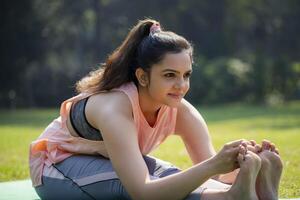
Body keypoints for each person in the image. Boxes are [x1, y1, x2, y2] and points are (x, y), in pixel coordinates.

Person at [29, 18, 283, 200]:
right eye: (170, 75)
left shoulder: (181, 111)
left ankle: (258, 193)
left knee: (172, 175)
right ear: (142, 76)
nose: (181, 85)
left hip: (104, 161)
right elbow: (142, 192)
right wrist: (214, 165)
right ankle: (231, 199)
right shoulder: (115, 108)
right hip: (56, 168)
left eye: (186, 75)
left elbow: (211, 172)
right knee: (135, 186)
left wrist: (246, 162)